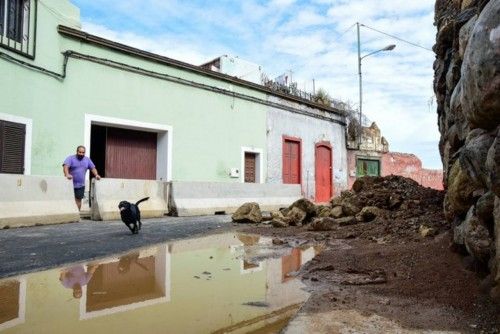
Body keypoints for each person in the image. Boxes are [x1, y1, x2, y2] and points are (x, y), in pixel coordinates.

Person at [63, 145, 101, 210]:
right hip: (69, 184)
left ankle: (77, 214)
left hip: (80, 185)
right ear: (77, 151)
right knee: (69, 200)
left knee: (78, 200)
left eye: (83, 152)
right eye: (80, 152)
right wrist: (67, 174)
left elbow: (93, 168)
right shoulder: (70, 158)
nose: (81, 154)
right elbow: (65, 166)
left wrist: (96, 175)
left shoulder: (87, 160)